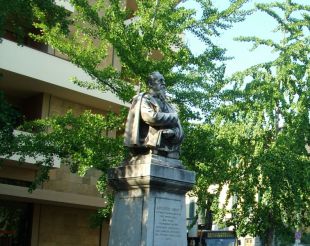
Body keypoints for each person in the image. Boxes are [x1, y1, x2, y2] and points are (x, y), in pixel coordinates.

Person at [124, 71, 183, 160]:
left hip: (168, 147)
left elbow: (178, 126)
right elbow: (151, 117)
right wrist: (173, 117)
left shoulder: (168, 105)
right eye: (160, 80)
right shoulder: (144, 99)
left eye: (164, 80)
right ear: (150, 84)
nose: (164, 83)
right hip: (151, 143)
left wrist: (173, 133)